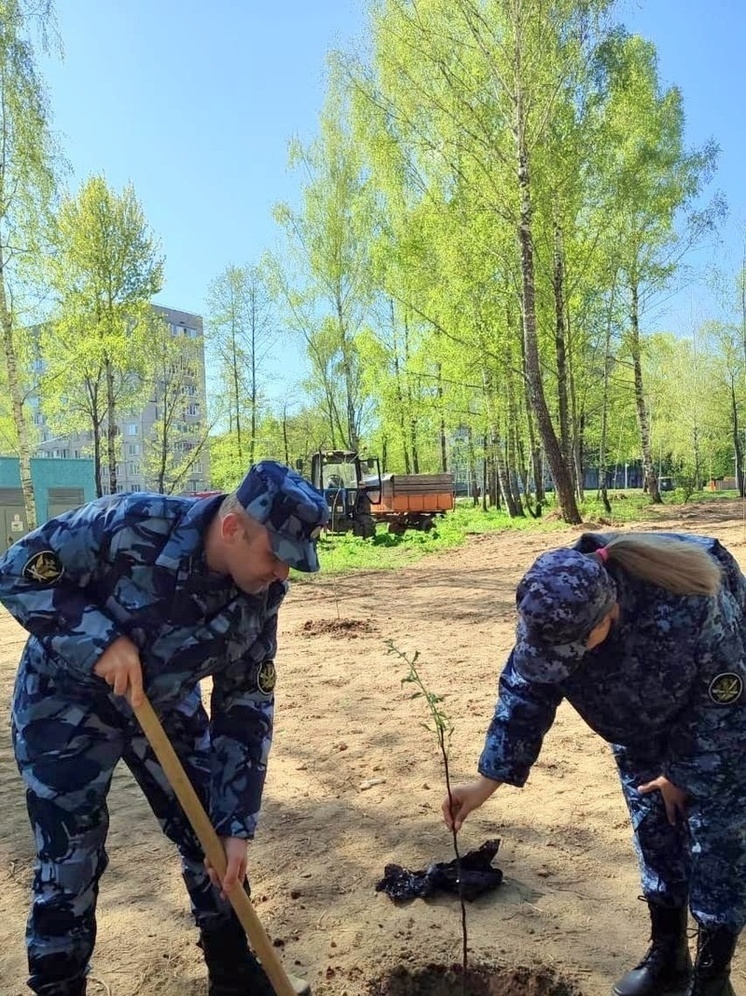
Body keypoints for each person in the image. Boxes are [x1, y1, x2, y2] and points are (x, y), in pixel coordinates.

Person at [0, 460, 328, 996]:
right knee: (71, 856)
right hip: (65, 703)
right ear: (232, 529)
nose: (282, 573)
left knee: (214, 842)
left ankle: (232, 972)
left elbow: (246, 705)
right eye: (276, 555)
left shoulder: (260, 595)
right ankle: (60, 984)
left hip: (165, 703)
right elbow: (17, 569)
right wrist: (99, 639)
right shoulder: (129, 522)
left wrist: (237, 821)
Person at [443, 532, 745, 996]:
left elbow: (725, 696)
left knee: (718, 842)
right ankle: (668, 957)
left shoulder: (689, 602)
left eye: (577, 649)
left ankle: (711, 976)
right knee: (654, 826)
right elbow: (526, 691)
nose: (566, 663)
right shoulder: (552, 611)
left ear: (609, 614)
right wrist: (486, 781)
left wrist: (682, 773)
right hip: (637, 725)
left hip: (715, 728)